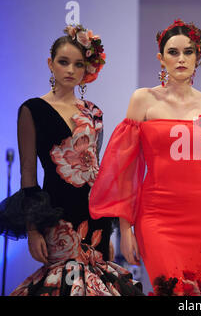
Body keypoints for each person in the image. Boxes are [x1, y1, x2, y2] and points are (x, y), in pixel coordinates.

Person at [89, 19, 201, 296]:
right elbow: (124, 169)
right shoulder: (143, 100)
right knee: (168, 289)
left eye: (188, 52)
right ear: (160, 58)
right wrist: (124, 229)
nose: (181, 59)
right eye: (173, 52)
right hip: (156, 216)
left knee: (193, 294)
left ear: (198, 57)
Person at [0, 25, 143, 296]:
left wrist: (111, 230)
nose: (70, 70)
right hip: (56, 214)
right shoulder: (32, 109)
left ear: (85, 70)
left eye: (78, 64)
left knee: (97, 282)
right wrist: (33, 230)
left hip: (95, 215)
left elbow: (98, 172)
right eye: (63, 62)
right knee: (63, 284)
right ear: (50, 64)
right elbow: (28, 175)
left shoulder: (93, 112)